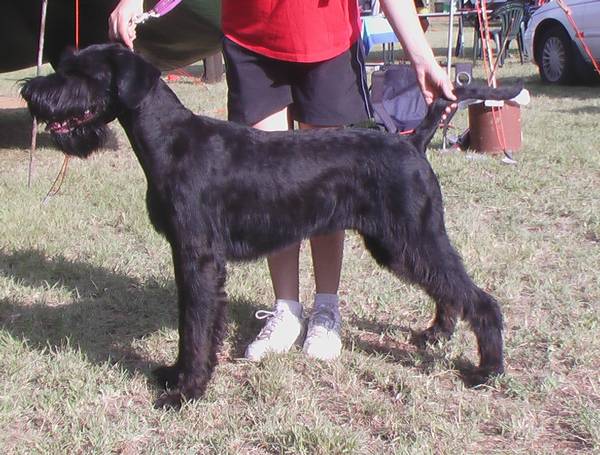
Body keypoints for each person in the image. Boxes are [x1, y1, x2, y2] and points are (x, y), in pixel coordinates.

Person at [109, 0, 455, 362]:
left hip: (326, 33)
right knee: (268, 187)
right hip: (251, 33)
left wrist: (422, 57)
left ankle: (326, 309)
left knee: (329, 183)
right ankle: (286, 310)